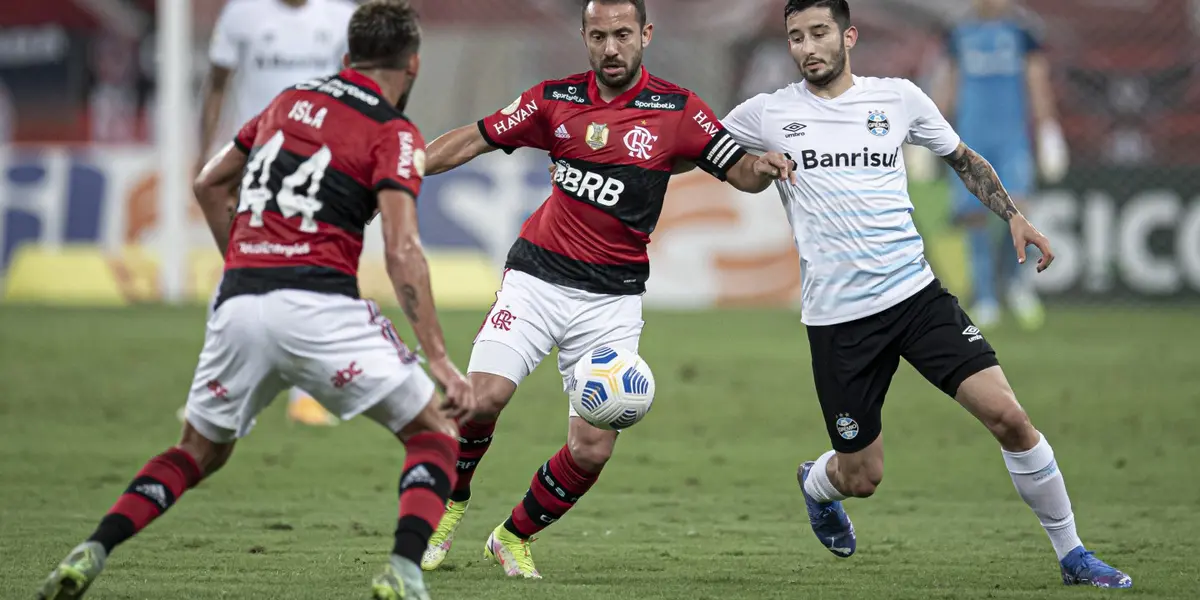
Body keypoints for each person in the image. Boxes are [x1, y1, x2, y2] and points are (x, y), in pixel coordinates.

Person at [37, 3, 474, 599]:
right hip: (321, 307)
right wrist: (442, 359)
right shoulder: (392, 132)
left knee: (197, 450)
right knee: (435, 436)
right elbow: (402, 250)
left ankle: (95, 548)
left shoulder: (286, 102)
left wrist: (243, 258)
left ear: (347, 59)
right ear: (414, 65)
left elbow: (208, 181)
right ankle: (403, 571)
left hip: (240, 304)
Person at [717, 0, 1130, 589]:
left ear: (848, 36)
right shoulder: (768, 111)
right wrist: (755, 166)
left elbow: (961, 158)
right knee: (861, 476)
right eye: (795, 37)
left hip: (915, 296)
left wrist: (1012, 214)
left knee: (1009, 417)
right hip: (840, 320)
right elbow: (705, 155)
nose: (807, 47)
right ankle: (817, 483)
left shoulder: (899, 98)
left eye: (818, 33)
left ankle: (1073, 556)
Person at [416, 0, 795, 579]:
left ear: (645, 34)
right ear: (585, 37)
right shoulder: (554, 101)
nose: (611, 47)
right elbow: (474, 138)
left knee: (593, 447)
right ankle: (452, 501)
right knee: (482, 398)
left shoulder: (678, 112)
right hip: (537, 280)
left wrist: (761, 169)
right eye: (598, 36)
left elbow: (736, 171)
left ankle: (512, 536)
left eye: (622, 34)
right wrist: (404, 171)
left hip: (612, 302)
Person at [192, 0, 358, 426]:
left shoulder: (341, 17)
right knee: (241, 266)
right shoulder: (241, 14)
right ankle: (216, 387)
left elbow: (360, 91)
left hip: (321, 163)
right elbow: (216, 85)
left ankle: (307, 395)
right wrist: (204, 151)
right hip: (257, 159)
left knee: (317, 266)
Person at [933, 0, 1068, 330]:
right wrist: (930, 130)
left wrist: (1048, 128)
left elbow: (1037, 81)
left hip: (1011, 139)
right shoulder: (958, 31)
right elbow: (948, 83)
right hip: (971, 138)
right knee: (975, 216)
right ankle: (985, 296)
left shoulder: (1024, 30)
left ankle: (1016, 283)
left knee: (1016, 209)